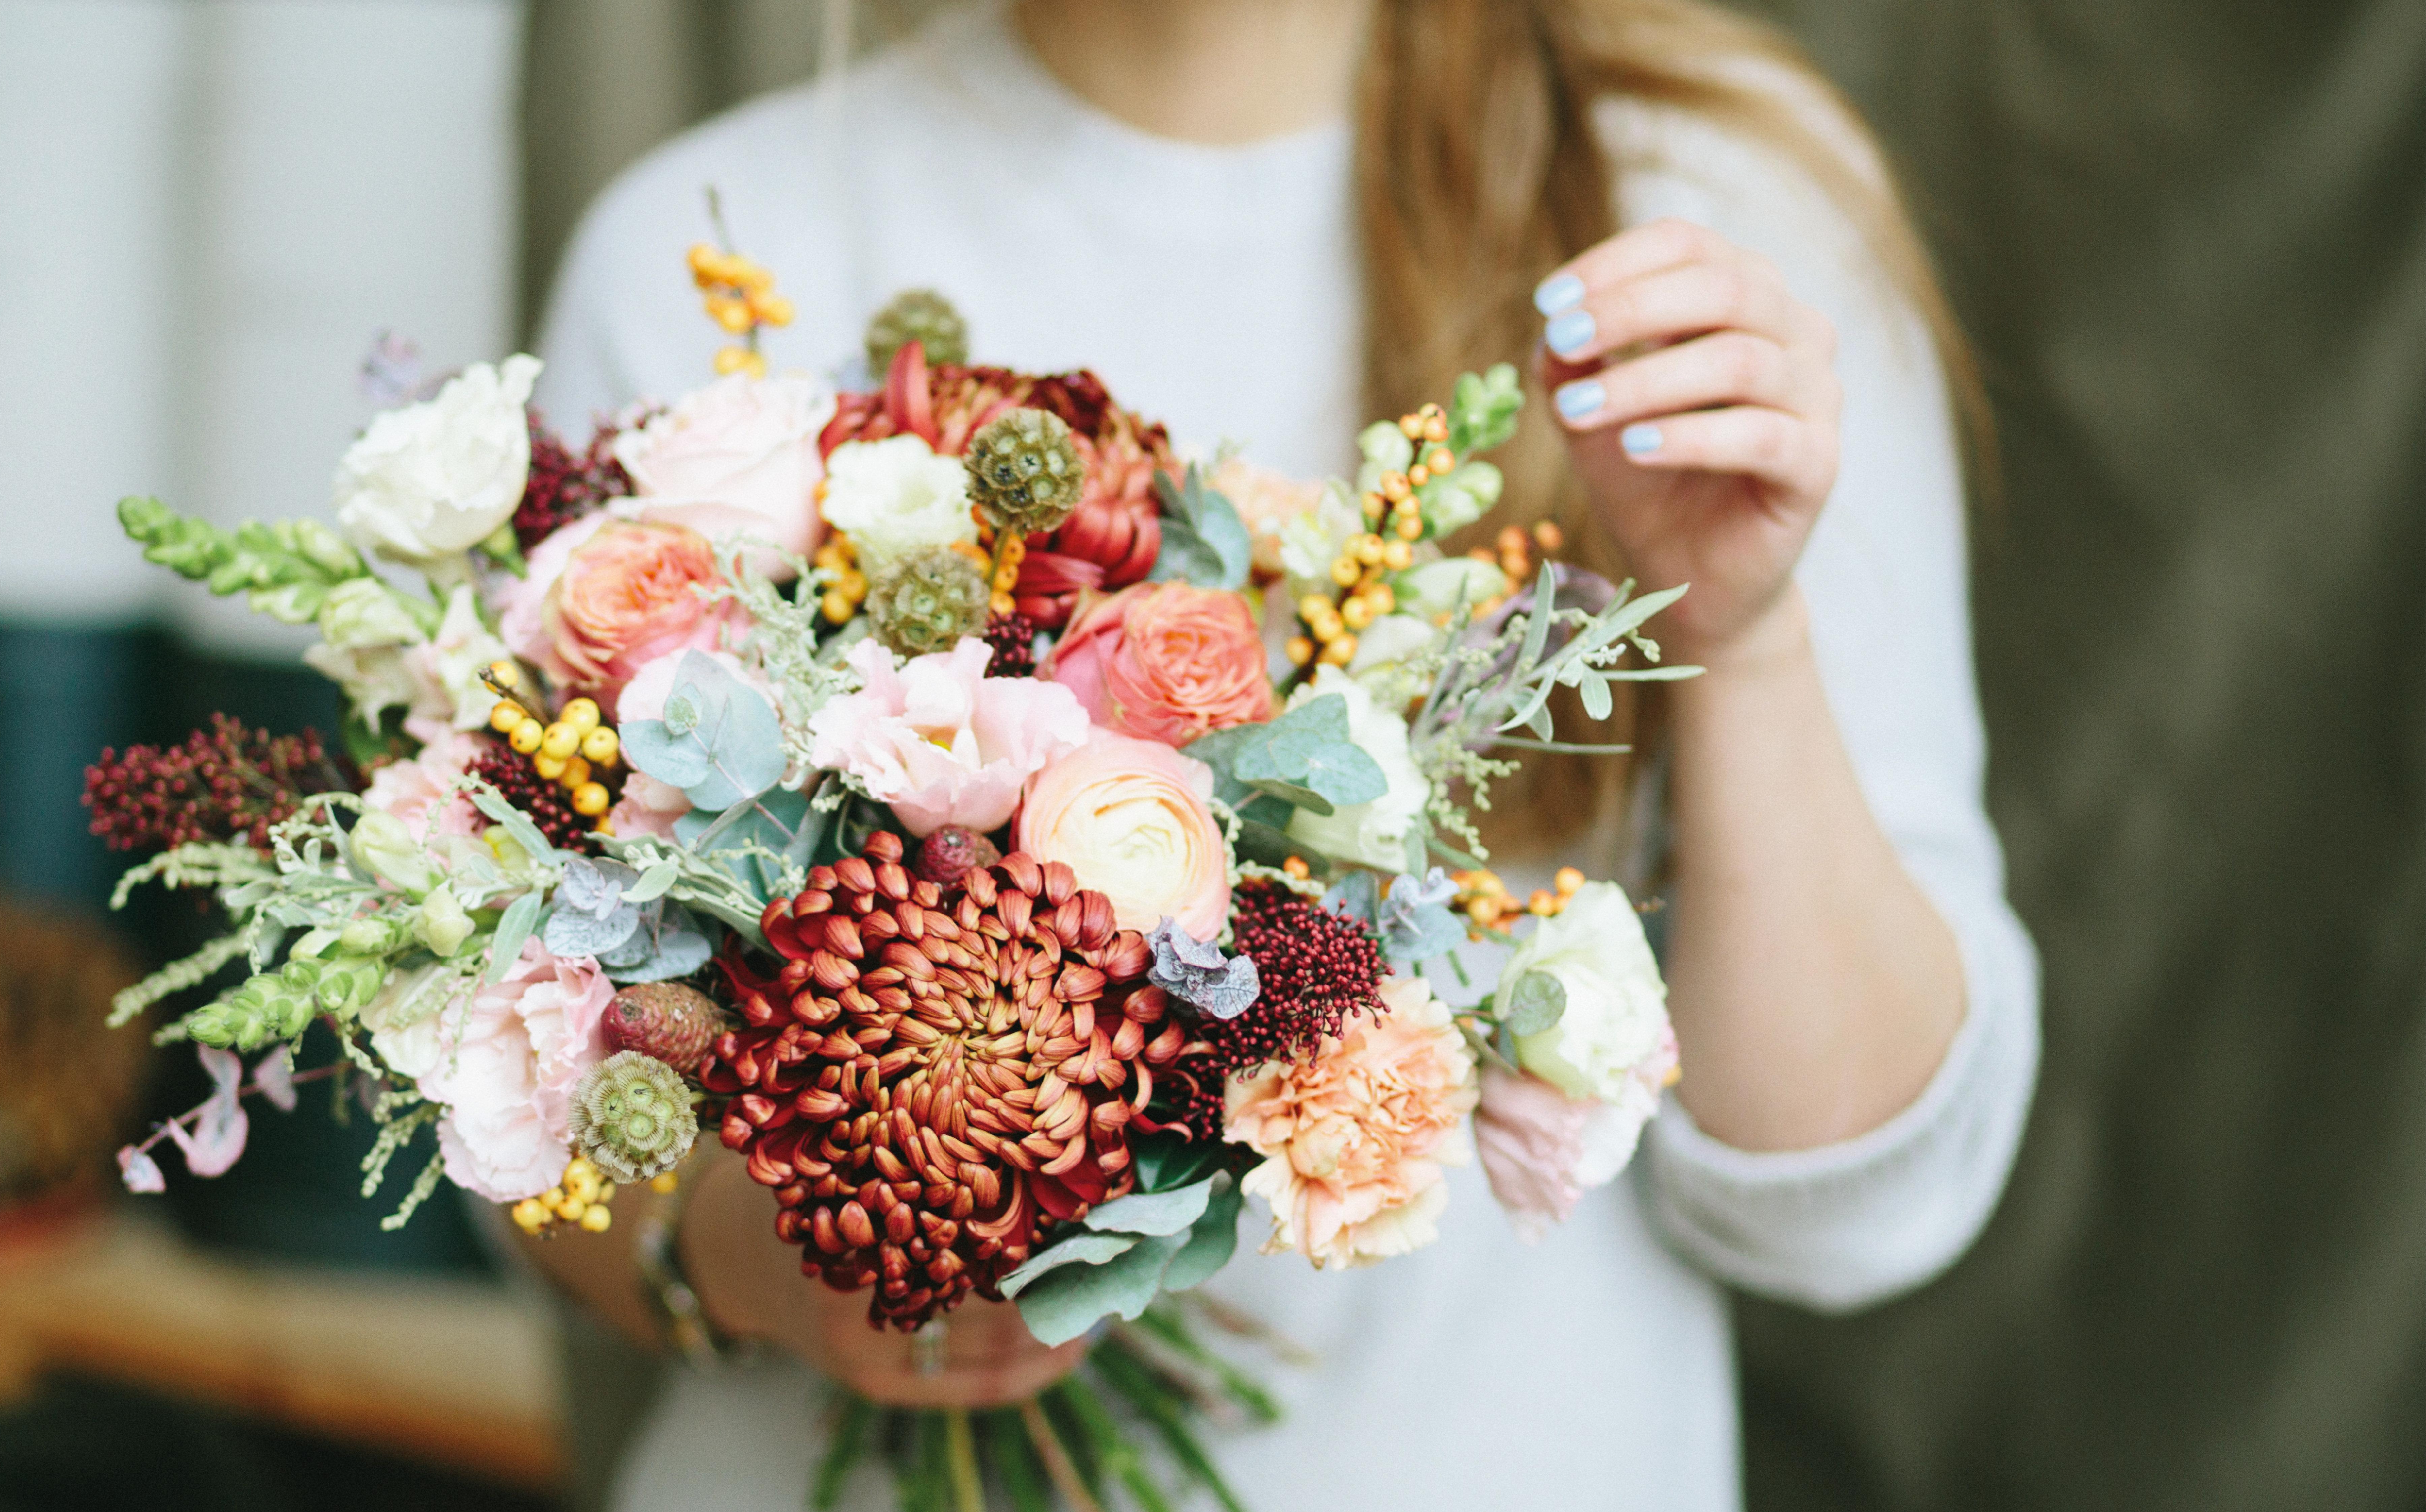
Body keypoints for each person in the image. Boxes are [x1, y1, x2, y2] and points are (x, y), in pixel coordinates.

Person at [524, 1, 2041, 1506]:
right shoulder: (724, 231)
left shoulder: (1712, 221)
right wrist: (777, 1267)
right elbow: (511, 1083)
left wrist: (1748, 634)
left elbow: (1856, 1210)